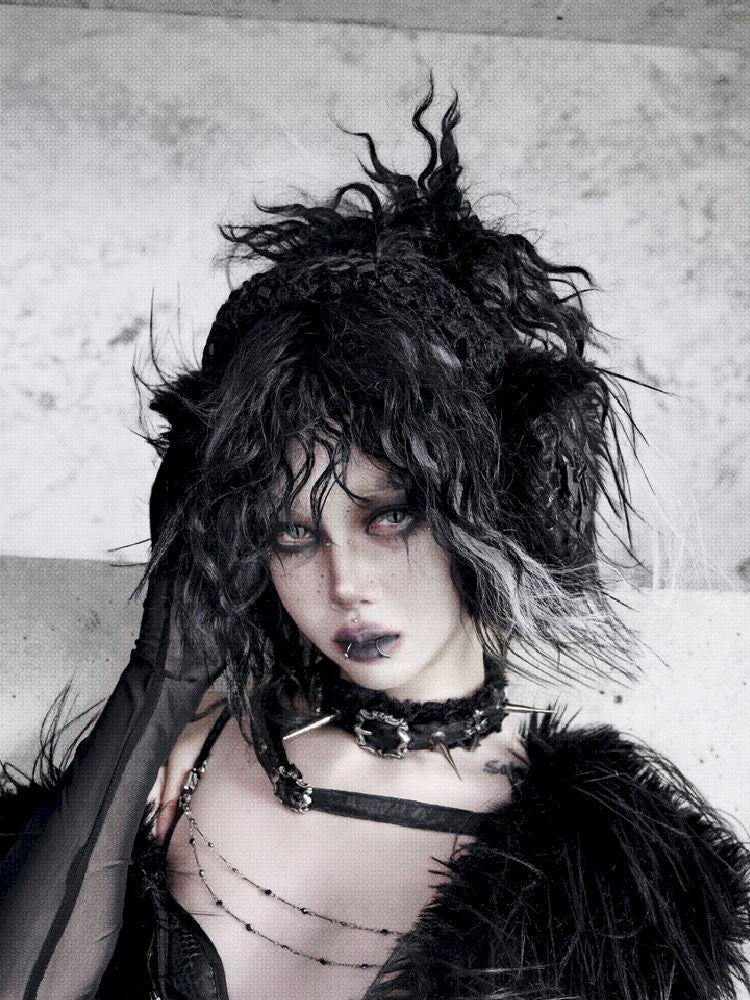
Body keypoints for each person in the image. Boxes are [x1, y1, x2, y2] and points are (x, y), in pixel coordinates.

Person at [1, 85, 749, 1000]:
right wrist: (161, 685)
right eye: (292, 532)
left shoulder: (608, 873)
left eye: (389, 515)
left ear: (489, 508)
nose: (344, 581)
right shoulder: (185, 762)